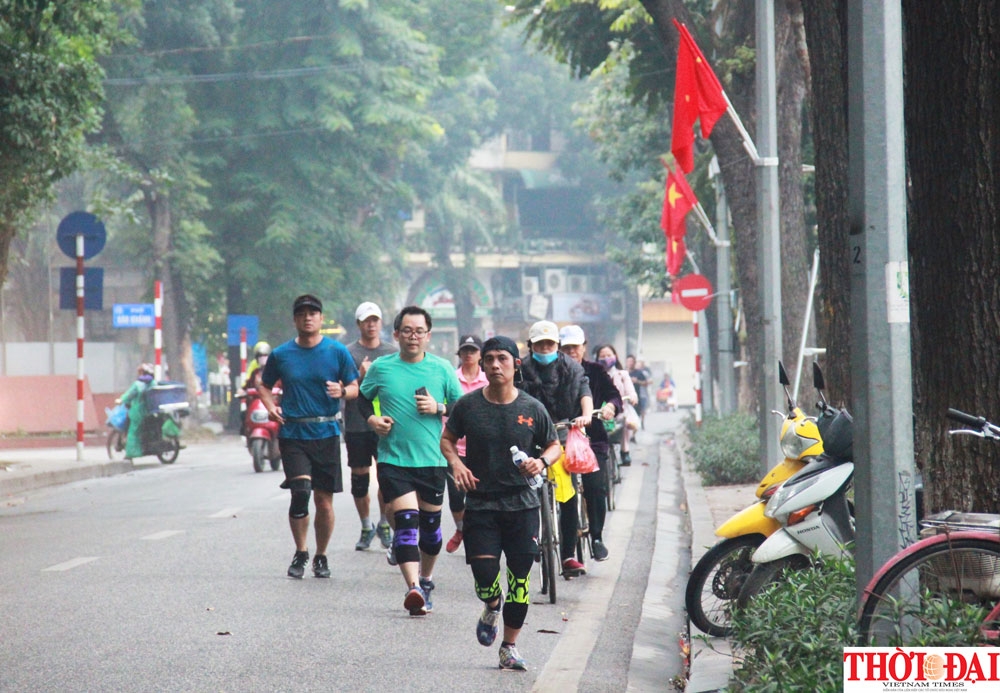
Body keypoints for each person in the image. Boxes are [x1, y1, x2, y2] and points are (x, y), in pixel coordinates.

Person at [441, 336, 561, 671]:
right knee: (484, 576)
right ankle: (492, 604)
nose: (495, 365)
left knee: (520, 580)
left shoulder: (531, 408)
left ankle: (509, 646)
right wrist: (458, 465)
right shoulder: (468, 406)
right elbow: (447, 439)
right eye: (489, 359)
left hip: (522, 505)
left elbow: (554, 445)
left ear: (515, 364)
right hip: (480, 505)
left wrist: (542, 462)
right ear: (482, 364)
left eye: (502, 359)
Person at [358, 305, 464, 615]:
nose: (413, 336)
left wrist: (439, 407)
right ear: (396, 334)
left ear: (428, 336)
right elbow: (363, 399)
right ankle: (413, 587)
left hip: (432, 460)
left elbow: (461, 408)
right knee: (407, 523)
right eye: (407, 330)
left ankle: (426, 579)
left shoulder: (442, 369)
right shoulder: (381, 367)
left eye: (419, 331)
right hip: (393, 458)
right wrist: (372, 420)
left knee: (431, 532)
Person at [258, 294, 360, 579]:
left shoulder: (337, 351)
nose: (307, 317)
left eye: (313, 313)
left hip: (326, 431)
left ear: (321, 318)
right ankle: (301, 550)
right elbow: (263, 386)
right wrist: (270, 406)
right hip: (293, 432)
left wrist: (343, 392)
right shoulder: (281, 354)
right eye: (301, 313)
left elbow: (355, 387)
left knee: (324, 501)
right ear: (295, 320)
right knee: (300, 493)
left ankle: (321, 555)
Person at [515, 320, 593, 577]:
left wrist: (585, 415)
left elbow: (584, 391)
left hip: (561, 434)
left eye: (549, 343)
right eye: (540, 344)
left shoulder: (572, 367)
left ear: (557, 345)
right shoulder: (520, 370)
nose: (545, 347)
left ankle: (568, 554)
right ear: (531, 346)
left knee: (568, 495)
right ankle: (532, 541)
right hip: (529, 436)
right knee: (526, 492)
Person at [558, 326, 620, 563]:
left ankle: (596, 537)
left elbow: (613, 395)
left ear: (584, 346)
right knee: (564, 494)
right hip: (560, 440)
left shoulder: (596, 371)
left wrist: (610, 407)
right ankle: (558, 543)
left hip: (592, 439)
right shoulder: (552, 372)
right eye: (566, 347)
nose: (571, 351)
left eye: (575, 346)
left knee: (595, 488)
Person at [343, 301, 398, 551]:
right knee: (360, 479)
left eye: (375, 320)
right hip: (357, 423)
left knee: (386, 477)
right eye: (366, 320)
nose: (371, 324)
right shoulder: (347, 353)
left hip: (386, 424)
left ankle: (384, 523)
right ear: (359, 324)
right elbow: (342, 388)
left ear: (381, 322)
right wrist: (360, 374)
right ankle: (366, 526)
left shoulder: (391, 352)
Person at [445, 334, 488, 554]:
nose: (469, 355)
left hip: (482, 449)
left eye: (473, 350)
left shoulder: (489, 379)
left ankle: (478, 534)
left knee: (480, 494)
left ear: (480, 355)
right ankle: (461, 529)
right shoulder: (451, 378)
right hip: (455, 447)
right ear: (459, 354)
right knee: (456, 496)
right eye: (465, 351)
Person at [595, 344, 639, 466]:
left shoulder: (622, 374)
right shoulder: (596, 375)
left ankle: (625, 451)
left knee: (624, 424)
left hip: (620, 412)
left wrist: (632, 396)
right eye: (602, 356)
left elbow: (630, 389)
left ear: (615, 356)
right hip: (600, 413)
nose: (606, 358)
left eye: (609, 355)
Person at [117, 363, 155, 459]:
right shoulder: (153, 383)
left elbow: (129, 395)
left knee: (133, 432)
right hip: (148, 411)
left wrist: (121, 400)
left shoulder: (138, 384)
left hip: (137, 411)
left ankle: (131, 453)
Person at [627, 355, 653, 433]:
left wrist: (637, 381)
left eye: (631, 361)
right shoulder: (623, 373)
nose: (630, 363)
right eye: (628, 361)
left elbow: (647, 382)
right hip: (626, 398)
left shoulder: (639, 373)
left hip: (637, 397)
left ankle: (634, 434)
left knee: (637, 415)